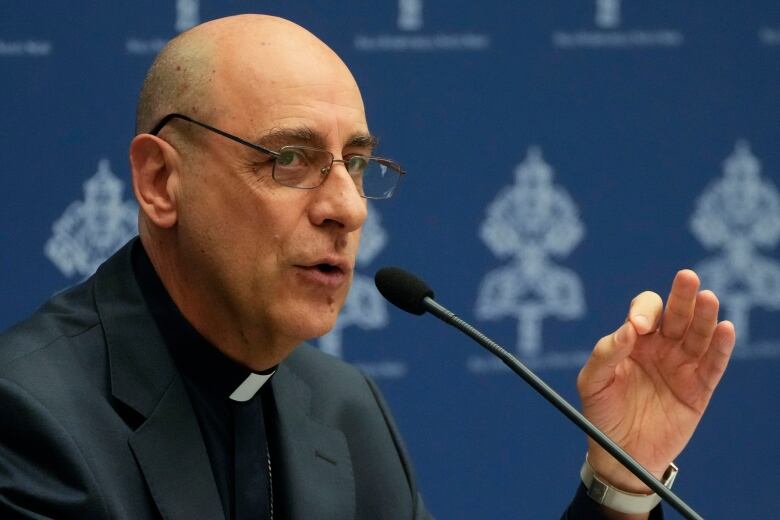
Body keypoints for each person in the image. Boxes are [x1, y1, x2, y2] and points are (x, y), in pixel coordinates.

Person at [0, 14, 735, 520]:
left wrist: (618, 484)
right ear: (162, 183)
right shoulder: (29, 418)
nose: (347, 208)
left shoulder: (347, 409)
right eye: (289, 159)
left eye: (356, 163)